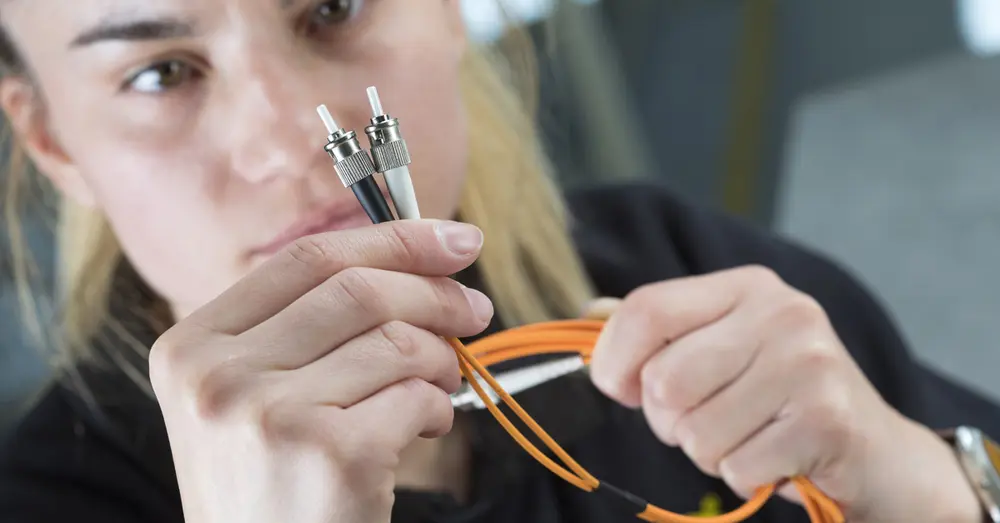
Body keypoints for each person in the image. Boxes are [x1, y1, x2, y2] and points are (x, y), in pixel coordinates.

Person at [0, 1, 997, 522]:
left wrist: (923, 492)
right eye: (159, 73)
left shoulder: (672, 267)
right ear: (52, 141)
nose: (289, 138)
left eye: (334, 7)